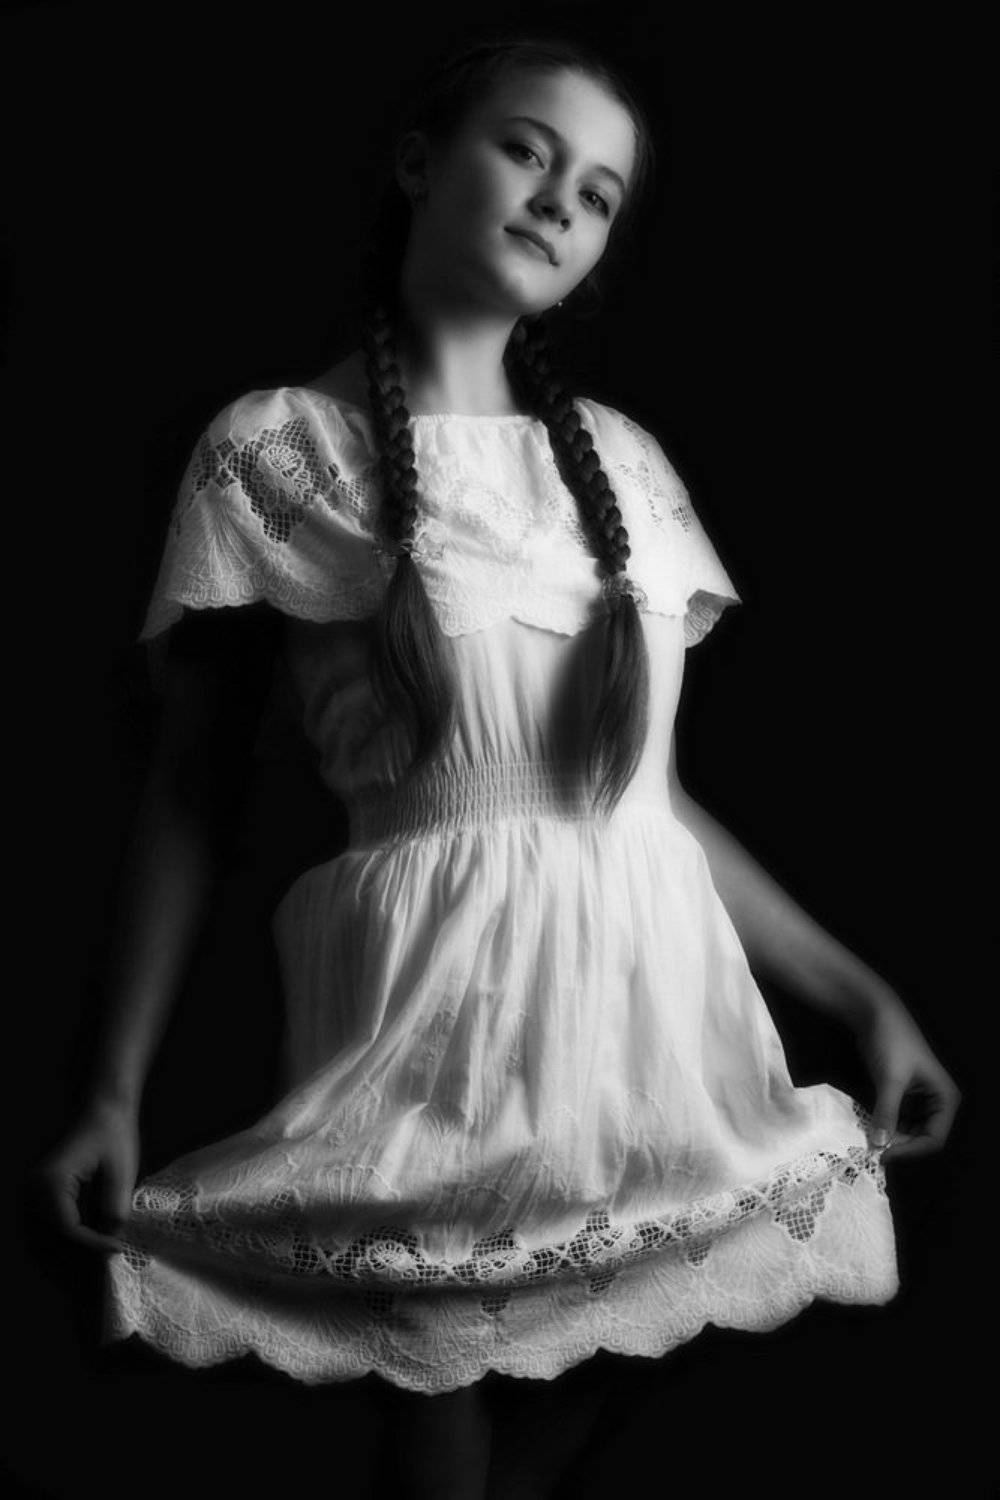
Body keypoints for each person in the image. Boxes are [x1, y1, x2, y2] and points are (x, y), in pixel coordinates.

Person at [30, 26, 961, 1500]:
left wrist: (865, 996)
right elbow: (191, 792)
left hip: (662, 1026)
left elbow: (648, 807)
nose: (556, 202)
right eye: (527, 150)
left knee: (670, 1334)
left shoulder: (628, 465)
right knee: (440, 1414)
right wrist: (112, 1087)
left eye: (596, 194)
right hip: (436, 1016)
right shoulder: (279, 450)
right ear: (421, 161)